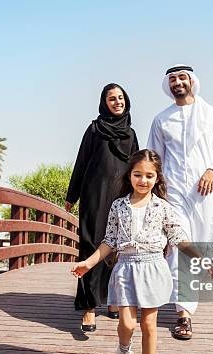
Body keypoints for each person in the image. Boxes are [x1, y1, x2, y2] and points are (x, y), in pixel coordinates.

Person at [70, 149, 213, 354]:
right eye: (138, 174)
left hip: (153, 268)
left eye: (149, 176)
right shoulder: (119, 206)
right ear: (130, 175)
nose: (143, 180)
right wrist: (88, 263)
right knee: (126, 324)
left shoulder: (163, 208)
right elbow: (109, 242)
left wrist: (201, 257)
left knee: (148, 325)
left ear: (157, 178)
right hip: (125, 269)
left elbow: (178, 237)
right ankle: (124, 347)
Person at [147, 64, 213, 340]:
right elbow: (154, 158)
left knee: (202, 243)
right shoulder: (162, 119)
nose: (177, 82)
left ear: (192, 81)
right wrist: (154, 194)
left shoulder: (212, 114)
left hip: (204, 193)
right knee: (180, 247)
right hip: (173, 193)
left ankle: (196, 280)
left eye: (182, 77)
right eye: (172, 79)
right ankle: (183, 314)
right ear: (167, 85)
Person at [66, 83, 139, 332]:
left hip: (121, 199)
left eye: (120, 98)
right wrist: (71, 195)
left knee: (117, 250)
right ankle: (88, 308)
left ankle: (111, 300)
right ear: (104, 102)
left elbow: (137, 169)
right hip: (94, 197)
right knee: (92, 245)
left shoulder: (130, 134)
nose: (117, 102)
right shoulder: (95, 129)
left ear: (126, 101)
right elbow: (81, 161)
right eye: (112, 99)